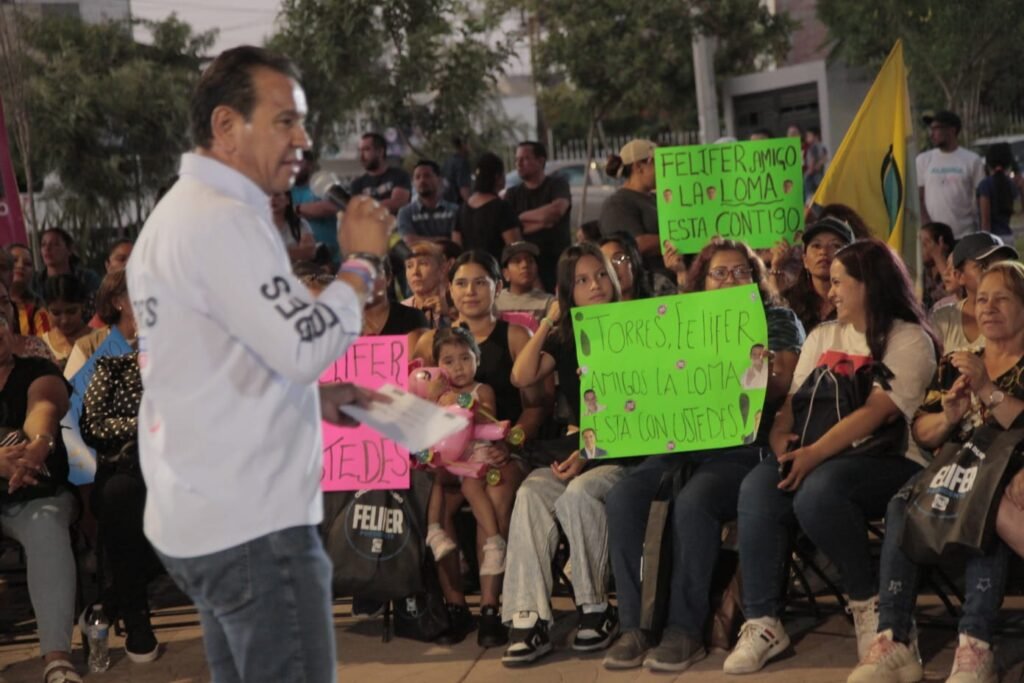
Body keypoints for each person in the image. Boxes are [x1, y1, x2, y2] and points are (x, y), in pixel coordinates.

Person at [125, 45, 394, 683]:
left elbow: (213, 360)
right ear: (226, 125)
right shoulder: (222, 222)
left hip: (205, 516)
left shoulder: (179, 215)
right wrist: (361, 264)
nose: (303, 139)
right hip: (255, 527)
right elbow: (304, 346)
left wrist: (313, 399)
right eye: (285, 121)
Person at [724, 239, 938, 675]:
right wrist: (782, 438)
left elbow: (877, 412)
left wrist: (812, 455)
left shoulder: (909, 338)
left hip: (891, 459)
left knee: (818, 492)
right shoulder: (823, 335)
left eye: (840, 283)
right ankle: (763, 621)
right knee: (759, 486)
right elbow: (793, 403)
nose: (831, 291)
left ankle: (867, 600)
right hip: (820, 453)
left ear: (869, 284)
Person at [603, 238, 804, 673]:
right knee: (622, 499)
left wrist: (758, 369)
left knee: (695, 501)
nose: (732, 279)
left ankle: (684, 629)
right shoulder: (680, 321)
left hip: (745, 447)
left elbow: (785, 383)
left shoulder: (776, 318)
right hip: (679, 444)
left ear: (756, 278)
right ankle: (634, 626)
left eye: (742, 271)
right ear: (703, 282)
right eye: (720, 273)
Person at [850, 261, 1024, 683]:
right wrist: (948, 416)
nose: (988, 308)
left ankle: (975, 644)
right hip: (954, 469)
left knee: (982, 504)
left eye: (1002, 299)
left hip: (1006, 474)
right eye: (982, 299)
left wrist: (987, 389)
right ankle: (893, 638)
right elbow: (921, 430)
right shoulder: (957, 362)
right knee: (901, 503)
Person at [413, 250, 546, 647]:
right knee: (435, 499)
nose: (469, 291)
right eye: (460, 283)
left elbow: (537, 406)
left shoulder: (515, 336)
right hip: (449, 454)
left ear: (497, 286)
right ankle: (455, 606)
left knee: (497, 491)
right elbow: (416, 401)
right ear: (449, 288)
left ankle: (490, 607)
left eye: (479, 282)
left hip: (499, 448)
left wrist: (512, 440)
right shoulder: (430, 341)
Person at [501, 242, 624, 666]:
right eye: (582, 280)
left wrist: (588, 455)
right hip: (578, 449)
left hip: (624, 453)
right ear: (567, 291)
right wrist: (549, 321)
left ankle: (595, 606)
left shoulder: (637, 325)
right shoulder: (566, 335)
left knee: (579, 493)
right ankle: (528, 616)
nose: (596, 285)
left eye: (602, 275)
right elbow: (521, 375)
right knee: (531, 493)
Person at [0, 314, 79, 683]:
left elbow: (44, 406)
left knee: (46, 525)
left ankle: (57, 659)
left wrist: (38, 446)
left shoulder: (36, 369)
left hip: (36, 491)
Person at [81, 345, 162, 664]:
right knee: (121, 497)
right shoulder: (112, 368)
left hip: (177, 472)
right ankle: (137, 619)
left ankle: (112, 601)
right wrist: (147, 424)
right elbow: (93, 427)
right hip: (123, 469)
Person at [426, 327, 510, 583]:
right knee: (432, 480)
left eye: (465, 358)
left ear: (477, 359)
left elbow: (487, 417)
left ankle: (494, 542)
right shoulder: (439, 395)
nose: (458, 367)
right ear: (438, 366)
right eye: (449, 361)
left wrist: (462, 401)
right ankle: (435, 533)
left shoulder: (482, 390)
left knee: (471, 487)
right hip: (450, 460)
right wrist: (433, 397)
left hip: (476, 455)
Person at [931, 232, 1018, 353]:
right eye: (983, 266)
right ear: (959, 276)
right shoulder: (943, 319)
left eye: (1001, 265)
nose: (995, 273)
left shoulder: (1017, 318)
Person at [505, 141, 572, 293]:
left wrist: (520, 218)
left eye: (525, 159)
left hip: (558, 265)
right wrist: (542, 220)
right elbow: (510, 229)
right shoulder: (512, 194)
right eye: (517, 160)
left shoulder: (557, 185)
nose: (519, 164)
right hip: (526, 270)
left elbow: (556, 211)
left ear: (540, 161)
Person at [917, 110, 986, 237]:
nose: (932, 134)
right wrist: (928, 227)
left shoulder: (972, 160)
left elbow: (982, 198)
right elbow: (919, 198)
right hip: (934, 238)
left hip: (965, 234)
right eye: (931, 129)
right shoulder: (923, 160)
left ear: (952, 130)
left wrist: (984, 232)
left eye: (936, 129)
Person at [781, 216, 855, 334]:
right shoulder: (788, 302)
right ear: (804, 260)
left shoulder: (860, 302)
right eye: (816, 246)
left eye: (835, 245)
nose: (823, 252)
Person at [452, 152, 522, 264]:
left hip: (469, 271)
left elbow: (456, 249)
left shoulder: (461, 210)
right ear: (498, 177)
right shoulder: (502, 208)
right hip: (495, 271)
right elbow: (515, 249)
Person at [599, 140, 659, 261]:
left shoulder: (655, 198)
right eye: (657, 163)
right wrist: (683, 239)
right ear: (638, 167)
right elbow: (636, 245)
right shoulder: (617, 204)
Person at [290, 151, 343, 265]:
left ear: (310, 164)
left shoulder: (325, 184)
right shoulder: (285, 191)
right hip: (300, 262)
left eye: (298, 161)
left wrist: (296, 209)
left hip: (329, 260)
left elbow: (333, 206)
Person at [33, 228, 102, 305]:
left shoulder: (87, 279)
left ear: (69, 249)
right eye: (43, 244)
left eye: (55, 244)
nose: (47, 248)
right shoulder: (34, 282)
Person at [397, 159, 459, 243]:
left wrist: (420, 239)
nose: (422, 180)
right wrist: (445, 241)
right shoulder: (405, 213)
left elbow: (459, 241)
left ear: (439, 179)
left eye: (427, 176)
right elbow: (409, 241)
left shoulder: (455, 211)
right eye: (417, 177)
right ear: (413, 182)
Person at [350, 131, 412, 214]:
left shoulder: (400, 175)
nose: (361, 156)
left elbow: (397, 204)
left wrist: (364, 208)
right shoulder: (357, 184)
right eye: (360, 150)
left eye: (366, 150)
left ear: (380, 152)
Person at [495, 241, 552, 330]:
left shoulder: (548, 302)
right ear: (506, 273)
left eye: (530, 261)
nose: (525, 265)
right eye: (517, 261)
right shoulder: (495, 301)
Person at [40, 275, 91, 370]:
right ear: (46, 310)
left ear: (83, 306)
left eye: (71, 312)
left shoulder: (100, 340)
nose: (65, 320)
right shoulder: (41, 345)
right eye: (56, 313)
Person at [598, 231, 663, 300]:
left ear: (633, 259)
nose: (613, 269)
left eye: (619, 259)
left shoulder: (657, 285)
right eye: (606, 264)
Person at [400, 242, 451, 330]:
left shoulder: (457, 305)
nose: (415, 272)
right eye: (409, 266)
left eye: (423, 264)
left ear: (442, 269)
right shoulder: (400, 311)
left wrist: (450, 314)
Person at [7, 243, 51, 337]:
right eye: (14, 260)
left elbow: (45, 344)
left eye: (27, 264)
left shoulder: (37, 311)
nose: (20, 266)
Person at [977, 142, 1018, 236]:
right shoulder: (1010, 184)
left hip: (993, 237)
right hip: (1008, 235)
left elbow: (985, 220)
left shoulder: (985, 185)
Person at [271, 190, 317, 262]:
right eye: (267, 195)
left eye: (277, 195)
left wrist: (274, 252)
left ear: (287, 200)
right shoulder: (258, 225)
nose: (272, 199)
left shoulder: (300, 224)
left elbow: (309, 252)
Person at [920, 222, 955, 310]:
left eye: (925, 244)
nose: (920, 248)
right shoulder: (923, 273)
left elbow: (955, 294)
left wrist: (938, 256)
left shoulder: (956, 270)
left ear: (942, 244)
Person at [442, 136, 472, 205]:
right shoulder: (462, 163)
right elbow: (464, 191)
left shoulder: (447, 162)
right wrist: (473, 207)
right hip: (458, 206)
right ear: (463, 145)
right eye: (469, 144)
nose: (470, 148)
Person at [804, 126, 828, 201]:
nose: (807, 138)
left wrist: (810, 170)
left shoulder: (813, 147)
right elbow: (825, 157)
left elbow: (813, 159)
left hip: (813, 173)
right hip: (820, 172)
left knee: (808, 185)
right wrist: (820, 164)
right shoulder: (822, 146)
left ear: (816, 136)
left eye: (809, 136)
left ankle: (809, 198)